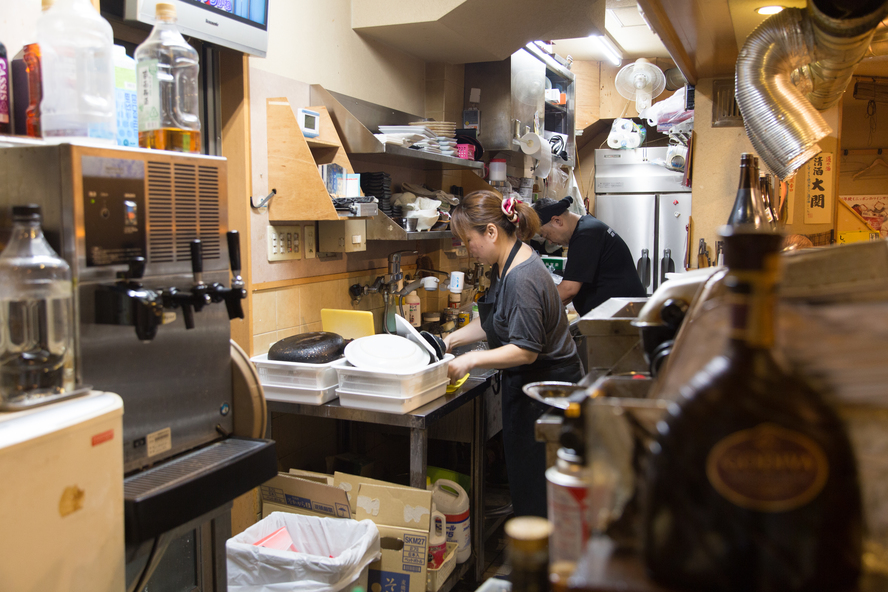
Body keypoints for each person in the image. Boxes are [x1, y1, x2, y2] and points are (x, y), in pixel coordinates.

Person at [444, 190, 584, 518]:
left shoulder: (521, 276)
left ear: (491, 232)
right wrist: (451, 340)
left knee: (539, 491)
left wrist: (470, 359)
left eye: (468, 241)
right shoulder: (509, 261)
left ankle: (541, 562)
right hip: (533, 389)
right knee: (528, 482)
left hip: (545, 392)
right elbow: (495, 320)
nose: (468, 250)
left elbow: (525, 350)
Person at [533, 196, 645, 316]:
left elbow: (569, 290)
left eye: (546, 235)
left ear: (557, 221)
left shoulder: (586, 235)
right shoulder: (587, 228)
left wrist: (532, 309)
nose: (549, 242)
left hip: (623, 318)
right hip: (617, 315)